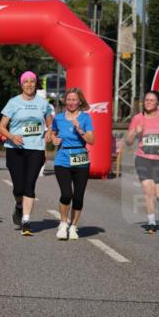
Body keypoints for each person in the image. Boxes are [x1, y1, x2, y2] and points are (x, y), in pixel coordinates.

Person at [0, 71, 54, 236]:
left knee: (30, 185)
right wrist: (12, 136)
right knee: (18, 188)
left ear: (36, 84)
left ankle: (26, 221)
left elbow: (50, 121)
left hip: (36, 148)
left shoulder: (43, 103)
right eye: (26, 82)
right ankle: (19, 205)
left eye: (32, 82)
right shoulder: (13, 102)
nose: (29, 84)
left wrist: (50, 131)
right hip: (15, 149)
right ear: (21, 85)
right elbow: (1, 126)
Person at [125, 90, 159, 234]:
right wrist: (134, 132)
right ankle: (151, 222)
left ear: (158, 103)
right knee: (148, 191)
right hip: (143, 159)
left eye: (151, 100)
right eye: (146, 100)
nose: (148, 102)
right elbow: (129, 142)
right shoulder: (137, 118)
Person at [50, 88, 94, 240]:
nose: (71, 102)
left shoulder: (86, 118)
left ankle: (74, 227)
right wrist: (53, 140)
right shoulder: (59, 118)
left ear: (79, 101)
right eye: (68, 99)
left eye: (74, 100)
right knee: (66, 194)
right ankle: (63, 224)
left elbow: (92, 140)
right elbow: (52, 133)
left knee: (78, 197)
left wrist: (80, 130)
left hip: (81, 158)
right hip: (62, 158)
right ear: (65, 101)